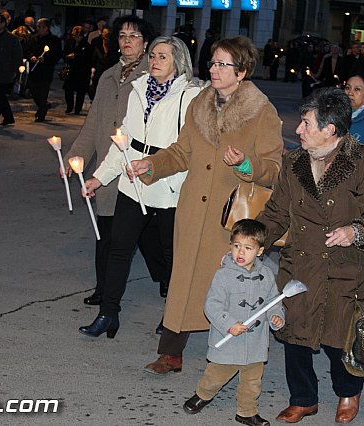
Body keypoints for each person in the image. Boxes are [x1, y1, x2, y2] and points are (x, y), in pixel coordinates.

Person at [130, 35, 283, 375]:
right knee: (183, 279)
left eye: (223, 64)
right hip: (192, 210)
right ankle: (171, 352)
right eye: (213, 62)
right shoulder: (200, 102)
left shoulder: (262, 112)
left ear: (241, 71)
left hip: (230, 217)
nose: (214, 69)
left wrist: (247, 164)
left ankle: (236, 355)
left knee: (227, 285)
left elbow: (274, 169)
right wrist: (152, 165)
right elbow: (182, 151)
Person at [255, 87, 364, 424]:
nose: (298, 129)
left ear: (330, 129)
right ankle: (303, 398)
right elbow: (276, 213)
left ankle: (348, 392)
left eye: (305, 123)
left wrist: (355, 231)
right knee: (294, 334)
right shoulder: (294, 162)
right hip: (300, 263)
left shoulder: (363, 162)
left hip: (345, 267)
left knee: (338, 337)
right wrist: (252, 242)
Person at [78, 35, 204, 338]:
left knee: (171, 255)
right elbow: (124, 143)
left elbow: (191, 147)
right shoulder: (138, 89)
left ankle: (173, 316)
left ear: (178, 61)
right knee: (118, 248)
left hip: (169, 184)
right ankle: (108, 314)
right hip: (132, 182)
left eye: (162, 56)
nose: (155, 61)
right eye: (153, 55)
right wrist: (100, 177)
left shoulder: (191, 95)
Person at [62, 15, 156, 309]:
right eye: (123, 35)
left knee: (145, 237)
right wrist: (74, 157)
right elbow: (92, 124)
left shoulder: (151, 76)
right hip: (107, 166)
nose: (127, 41)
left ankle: (165, 279)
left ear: (145, 43)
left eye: (134, 35)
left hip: (135, 167)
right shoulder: (107, 76)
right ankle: (104, 289)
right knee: (105, 234)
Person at [182, 219, 285, 426]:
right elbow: (212, 305)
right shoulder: (223, 276)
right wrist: (229, 323)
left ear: (260, 251)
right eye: (236, 246)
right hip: (228, 340)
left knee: (252, 382)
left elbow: (273, 302)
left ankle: (246, 412)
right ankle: (203, 394)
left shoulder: (266, 275)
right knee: (216, 376)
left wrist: (277, 317)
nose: (240, 252)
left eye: (248, 248)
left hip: (255, 342)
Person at [26, 18, 61, 122]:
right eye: (37, 27)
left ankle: (41, 114)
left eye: (40, 27)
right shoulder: (33, 38)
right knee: (33, 90)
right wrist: (31, 56)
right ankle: (44, 105)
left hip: (46, 70)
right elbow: (27, 50)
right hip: (34, 70)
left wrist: (46, 58)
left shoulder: (54, 40)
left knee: (43, 92)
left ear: (46, 28)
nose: (38, 29)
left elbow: (57, 54)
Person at [62, 25, 92, 115]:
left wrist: (76, 56)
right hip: (71, 70)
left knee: (80, 91)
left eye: (77, 36)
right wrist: (67, 56)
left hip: (82, 71)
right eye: (74, 36)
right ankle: (69, 106)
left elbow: (87, 58)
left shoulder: (86, 45)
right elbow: (64, 52)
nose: (75, 38)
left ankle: (77, 109)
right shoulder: (70, 42)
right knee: (68, 89)